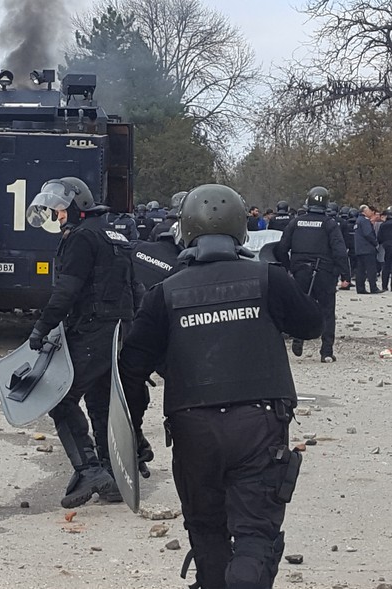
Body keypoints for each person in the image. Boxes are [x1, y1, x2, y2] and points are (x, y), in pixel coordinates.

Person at [119, 184, 323, 589]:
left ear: (186, 229)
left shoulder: (164, 293)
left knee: (207, 530)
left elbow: (130, 367)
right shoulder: (270, 278)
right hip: (260, 425)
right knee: (254, 534)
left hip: (194, 429)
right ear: (241, 228)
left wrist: (132, 430)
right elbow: (311, 326)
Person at [24, 177, 137, 507]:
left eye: (59, 211)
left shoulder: (82, 237)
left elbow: (67, 290)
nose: (57, 217)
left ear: (77, 206)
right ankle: (112, 476)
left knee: (61, 400)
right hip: (116, 328)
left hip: (91, 327)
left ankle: (89, 469)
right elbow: (134, 287)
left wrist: (41, 328)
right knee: (101, 403)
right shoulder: (113, 232)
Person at [274, 186, 350, 362]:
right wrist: (345, 275)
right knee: (327, 312)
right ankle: (326, 352)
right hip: (324, 273)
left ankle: (298, 338)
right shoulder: (330, 224)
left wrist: (288, 268)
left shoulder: (296, 222)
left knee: (299, 307)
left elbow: (282, 248)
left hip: (300, 271)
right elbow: (339, 251)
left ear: (307, 202)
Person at [354, 204, 382, 294]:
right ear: (364, 212)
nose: (371, 212)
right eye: (369, 210)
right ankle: (373, 288)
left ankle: (360, 288)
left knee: (360, 270)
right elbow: (368, 234)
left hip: (359, 249)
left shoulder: (358, 220)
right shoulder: (365, 221)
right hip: (367, 248)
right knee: (371, 269)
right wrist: (375, 243)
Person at [378, 206, 392, 291]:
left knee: (386, 266)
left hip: (387, 246)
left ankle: (384, 286)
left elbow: (379, 237)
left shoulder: (383, 225)